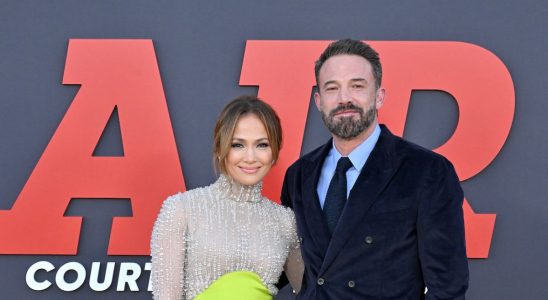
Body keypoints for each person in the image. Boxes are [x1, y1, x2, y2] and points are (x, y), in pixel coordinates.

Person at [281, 39, 469, 299]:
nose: (344, 98)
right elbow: (284, 263)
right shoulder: (299, 175)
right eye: (332, 88)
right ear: (318, 101)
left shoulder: (427, 172)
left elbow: (447, 288)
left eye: (357, 86)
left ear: (379, 96)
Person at [151, 95, 303, 300]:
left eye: (262, 145)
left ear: (274, 152)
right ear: (220, 148)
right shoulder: (181, 210)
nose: (250, 157)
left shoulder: (285, 221)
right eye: (238, 145)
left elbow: (311, 290)